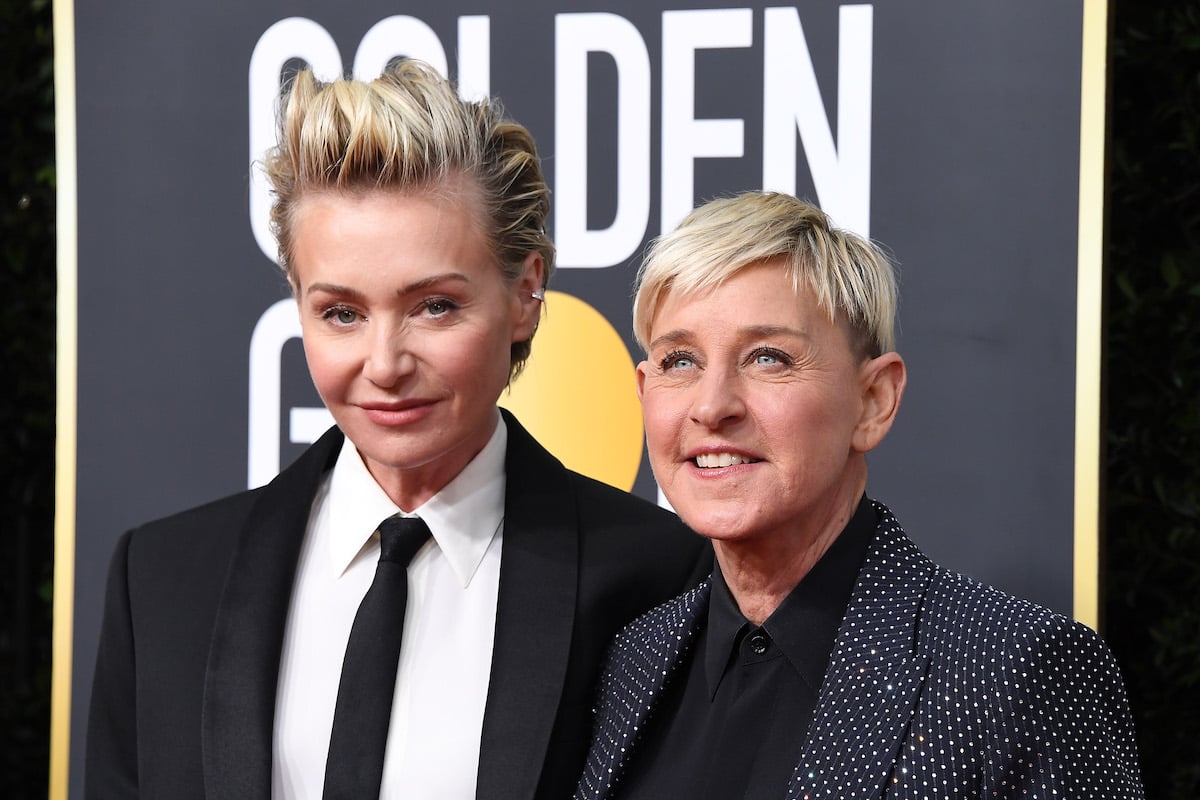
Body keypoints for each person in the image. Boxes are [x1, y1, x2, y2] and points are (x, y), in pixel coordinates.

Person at [85, 61, 706, 800]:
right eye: (341, 313)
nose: (384, 365)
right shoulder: (160, 582)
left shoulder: (660, 579)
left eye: (434, 306)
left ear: (526, 295)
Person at [574, 191, 1144, 799]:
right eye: (680, 360)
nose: (712, 406)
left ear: (874, 401)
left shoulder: (1015, 670)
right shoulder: (631, 662)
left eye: (768, 358)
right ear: (644, 390)